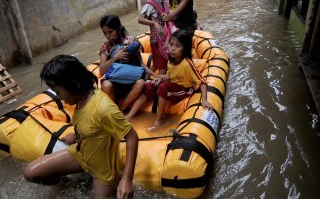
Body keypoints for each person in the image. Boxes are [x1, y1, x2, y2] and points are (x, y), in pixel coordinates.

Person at [23, 54, 139, 199]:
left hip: (103, 170)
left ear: (75, 84)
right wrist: (77, 135)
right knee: (30, 173)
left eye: (58, 92)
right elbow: (92, 125)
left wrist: (127, 179)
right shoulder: (80, 100)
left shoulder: (103, 108)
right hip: (81, 155)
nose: (58, 97)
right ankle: (67, 183)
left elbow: (132, 137)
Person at [143, 29, 213, 131]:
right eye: (171, 44)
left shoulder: (187, 64)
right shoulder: (171, 59)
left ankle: (158, 121)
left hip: (184, 90)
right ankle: (132, 114)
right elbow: (171, 75)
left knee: (163, 87)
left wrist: (205, 99)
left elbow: (202, 81)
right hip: (173, 85)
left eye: (177, 46)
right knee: (151, 85)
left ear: (185, 49)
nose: (173, 49)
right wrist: (161, 78)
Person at [99, 14, 155, 119]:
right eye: (105, 33)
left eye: (110, 32)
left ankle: (121, 110)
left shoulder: (132, 42)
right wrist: (115, 57)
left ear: (119, 29)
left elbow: (141, 64)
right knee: (106, 85)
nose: (108, 36)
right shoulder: (106, 47)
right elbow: (102, 71)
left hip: (131, 81)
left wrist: (155, 76)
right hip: (115, 82)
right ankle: (114, 110)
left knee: (141, 82)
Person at [138, 0, 174, 75]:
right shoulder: (149, 4)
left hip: (165, 40)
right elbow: (140, 19)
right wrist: (154, 23)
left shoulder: (164, 3)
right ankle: (159, 88)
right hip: (157, 41)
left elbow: (172, 16)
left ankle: (145, 77)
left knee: (158, 64)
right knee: (163, 67)